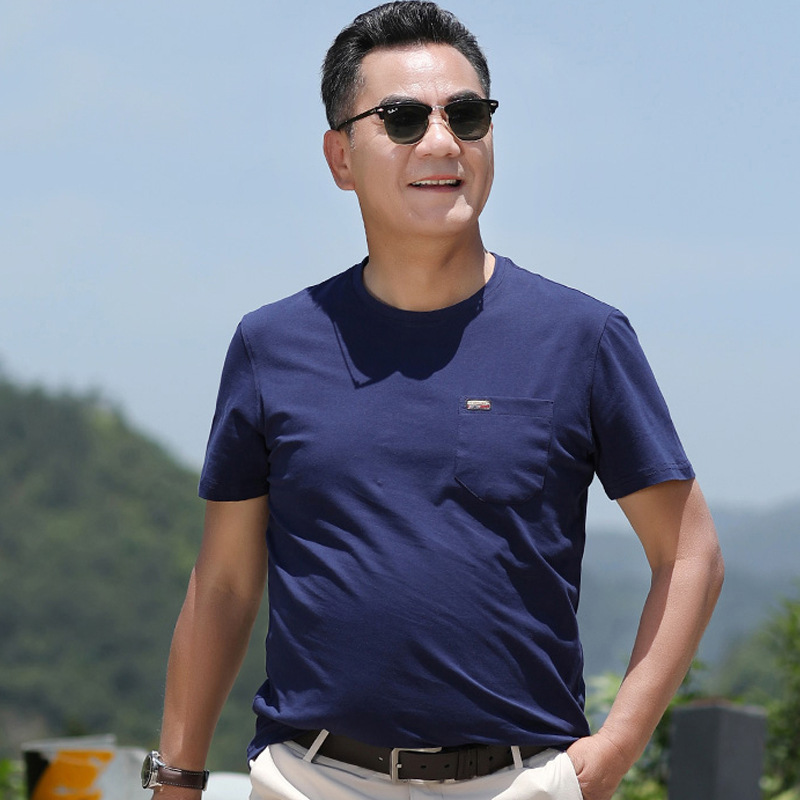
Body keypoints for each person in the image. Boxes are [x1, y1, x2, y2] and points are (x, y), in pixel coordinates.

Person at [145, 3, 724, 799]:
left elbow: (689, 553)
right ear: (340, 157)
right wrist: (176, 777)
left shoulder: (581, 337)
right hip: (310, 781)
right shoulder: (269, 345)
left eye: (467, 115)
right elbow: (224, 584)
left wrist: (618, 745)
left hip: (521, 782)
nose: (443, 142)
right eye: (403, 119)